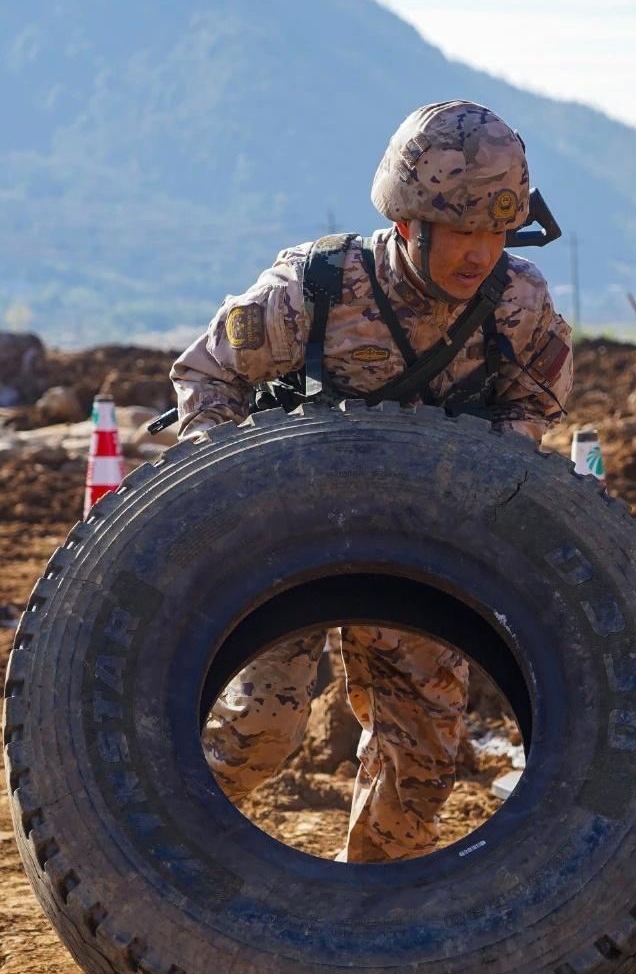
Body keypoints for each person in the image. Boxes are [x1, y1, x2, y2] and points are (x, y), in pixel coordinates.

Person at [172, 101, 574, 862]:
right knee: (256, 735)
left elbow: (535, 405)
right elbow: (206, 374)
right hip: (290, 545)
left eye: (498, 230)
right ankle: (164, 872)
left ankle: (369, 930)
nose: (480, 253)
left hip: (417, 561)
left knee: (420, 764)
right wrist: (227, 507)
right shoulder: (314, 289)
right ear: (409, 223)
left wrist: (481, 476)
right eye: (462, 230)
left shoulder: (517, 306)